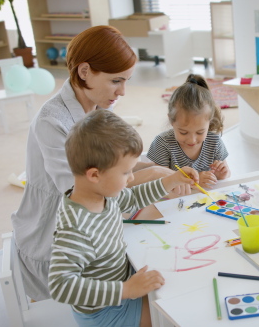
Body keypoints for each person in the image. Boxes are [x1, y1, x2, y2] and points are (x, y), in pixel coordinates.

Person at [11, 25, 172, 301]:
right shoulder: (52, 121)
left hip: (96, 218)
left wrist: (161, 172)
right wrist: (156, 173)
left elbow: (117, 161)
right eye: (115, 81)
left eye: (126, 81)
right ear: (84, 72)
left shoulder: (99, 105)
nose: (122, 91)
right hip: (60, 235)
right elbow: (81, 190)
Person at [49, 109, 199, 326]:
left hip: (123, 284)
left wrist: (172, 180)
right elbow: (60, 285)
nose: (131, 178)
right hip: (106, 313)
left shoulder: (102, 194)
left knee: (179, 289)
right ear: (94, 174)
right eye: (125, 172)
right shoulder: (76, 227)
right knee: (174, 315)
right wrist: (126, 289)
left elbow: (134, 196)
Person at [143, 74, 231, 189]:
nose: (192, 140)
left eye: (200, 132)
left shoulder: (214, 142)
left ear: (209, 122)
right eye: (183, 132)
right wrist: (194, 182)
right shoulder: (163, 143)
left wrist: (222, 174)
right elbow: (160, 183)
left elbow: (226, 176)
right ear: (171, 120)